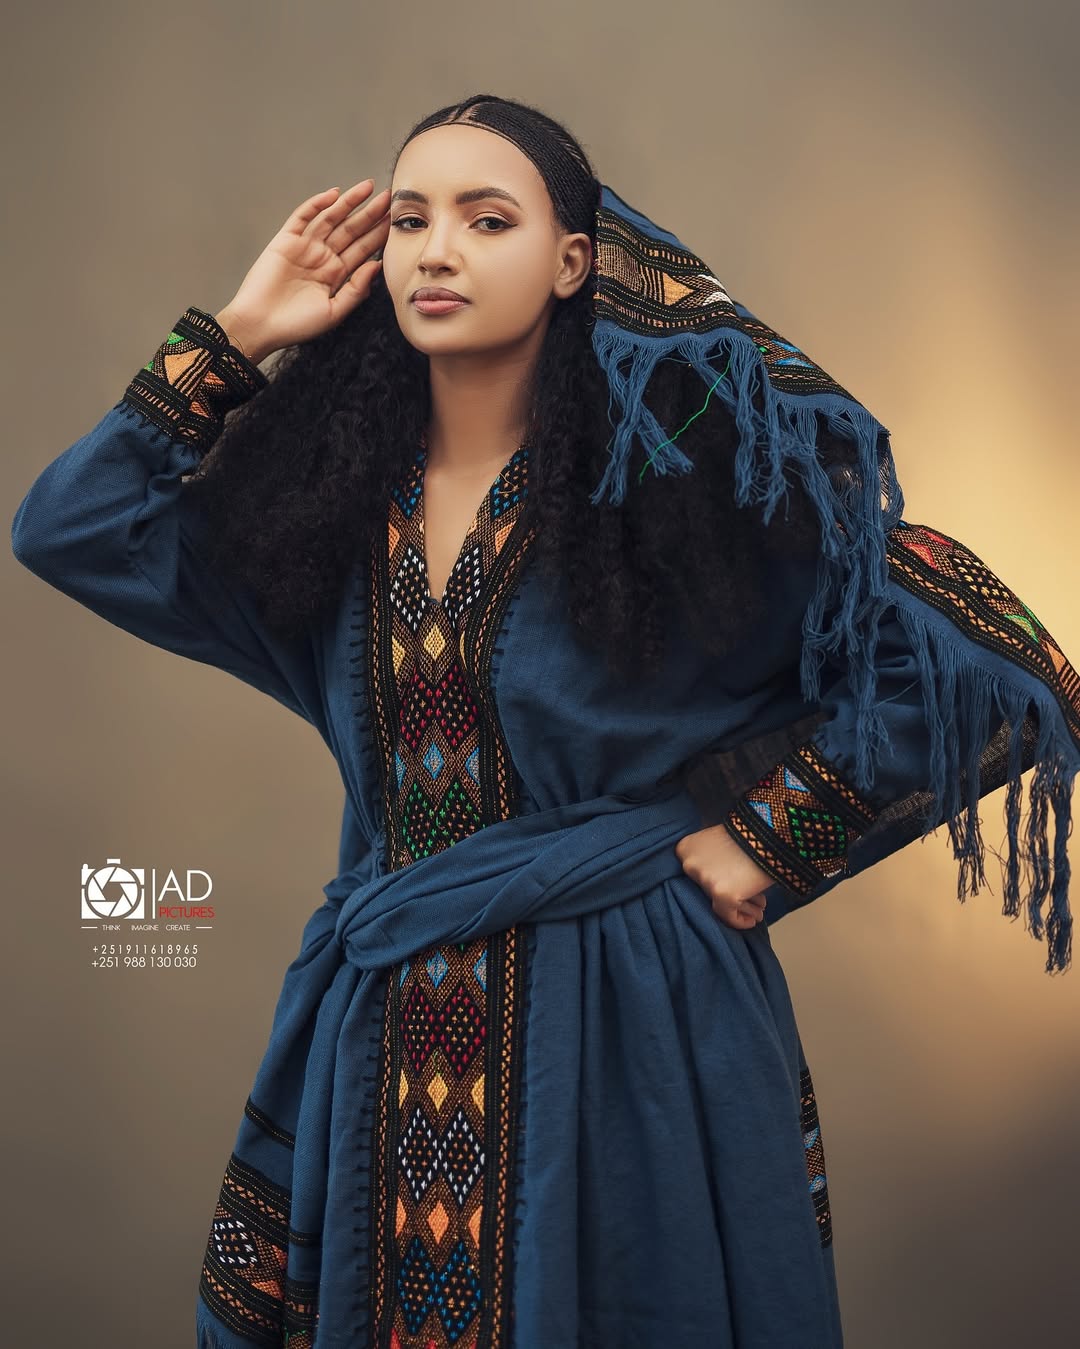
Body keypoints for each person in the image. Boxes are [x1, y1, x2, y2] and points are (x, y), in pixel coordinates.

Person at [11, 93, 1079, 1349]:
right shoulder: (325, 515)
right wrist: (239, 332)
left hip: (633, 1017)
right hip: (388, 1016)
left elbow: (1008, 658)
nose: (436, 250)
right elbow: (70, 528)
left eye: (486, 217)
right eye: (409, 219)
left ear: (575, 261)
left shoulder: (678, 494)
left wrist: (775, 836)